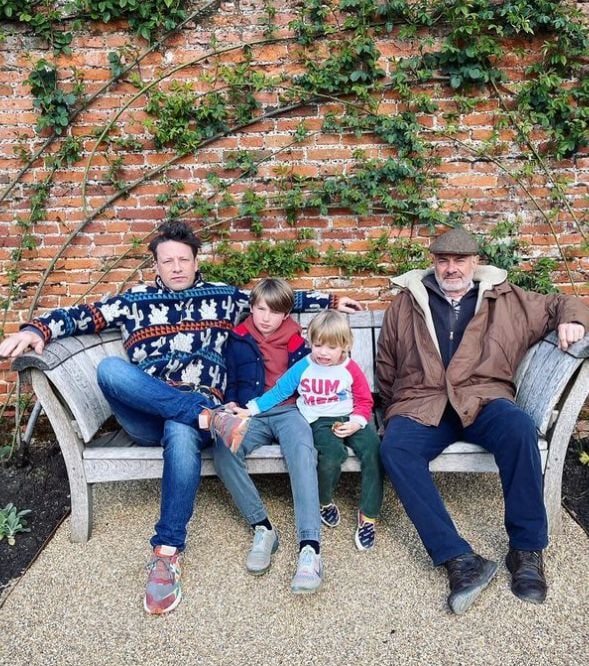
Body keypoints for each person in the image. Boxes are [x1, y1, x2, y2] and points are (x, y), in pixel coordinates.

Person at [0, 220, 361, 614]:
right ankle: (203, 415)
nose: (176, 268)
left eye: (183, 260)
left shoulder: (223, 298)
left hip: (190, 420)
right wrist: (37, 329)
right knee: (111, 372)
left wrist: (330, 301)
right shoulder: (132, 300)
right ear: (155, 264)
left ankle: (167, 551)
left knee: (181, 426)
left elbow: (273, 302)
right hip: (147, 413)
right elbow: (83, 315)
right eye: (167, 260)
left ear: (194, 260)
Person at [376, 226, 589, 615]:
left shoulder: (507, 299)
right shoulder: (407, 302)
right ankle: (459, 559)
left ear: (476, 263)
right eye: (443, 260)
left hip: (484, 398)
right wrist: (394, 409)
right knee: (396, 447)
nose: (451, 268)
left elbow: (563, 302)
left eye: (460, 260)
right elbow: (387, 364)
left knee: (519, 429)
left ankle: (526, 550)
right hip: (425, 402)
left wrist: (572, 319)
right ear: (434, 263)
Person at [221, 306, 381, 591]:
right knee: (331, 455)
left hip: (348, 417)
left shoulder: (349, 368)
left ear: (345, 346)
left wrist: (357, 422)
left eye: (331, 347)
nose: (322, 352)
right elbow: (282, 389)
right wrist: (252, 409)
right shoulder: (304, 364)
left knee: (373, 451)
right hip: (318, 419)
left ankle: (362, 518)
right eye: (318, 344)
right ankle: (317, 504)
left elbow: (364, 399)